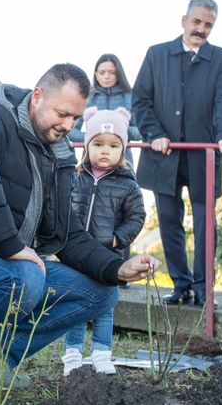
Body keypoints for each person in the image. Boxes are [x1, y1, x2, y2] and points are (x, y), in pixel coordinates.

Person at [0, 63, 159, 384]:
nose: (68, 125)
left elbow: (70, 233)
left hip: (15, 270)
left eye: (75, 118)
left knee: (103, 294)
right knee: (28, 274)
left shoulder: (57, 153)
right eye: (62, 113)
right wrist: (13, 246)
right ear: (37, 96)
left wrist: (116, 269)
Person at [131, 0, 222, 307]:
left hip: (202, 152)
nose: (201, 29)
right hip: (163, 153)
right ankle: (181, 285)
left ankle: (204, 288)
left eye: (208, 25)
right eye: (197, 22)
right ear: (184, 20)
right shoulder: (157, 54)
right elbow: (141, 100)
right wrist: (155, 135)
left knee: (206, 221)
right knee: (168, 218)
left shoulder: (221, 58)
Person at [61, 107, 146, 377]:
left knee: (105, 304)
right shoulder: (74, 177)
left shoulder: (128, 184)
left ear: (122, 149)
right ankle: (72, 352)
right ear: (87, 146)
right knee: (75, 303)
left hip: (108, 255)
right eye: (98, 144)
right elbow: (61, 209)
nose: (105, 151)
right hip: (75, 255)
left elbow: (136, 217)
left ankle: (101, 352)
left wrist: (117, 238)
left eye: (113, 145)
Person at [68, 54, 142, 168]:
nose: (106, 76)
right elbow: (70, 130)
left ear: (118, 74)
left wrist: (121, 131)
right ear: (96, 75)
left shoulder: (131, 97)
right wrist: (93, 135)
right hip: (92, 159)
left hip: (123, 160)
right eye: (102, 72)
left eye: (111, 72)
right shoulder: (86, 97)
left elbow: (141, 131)